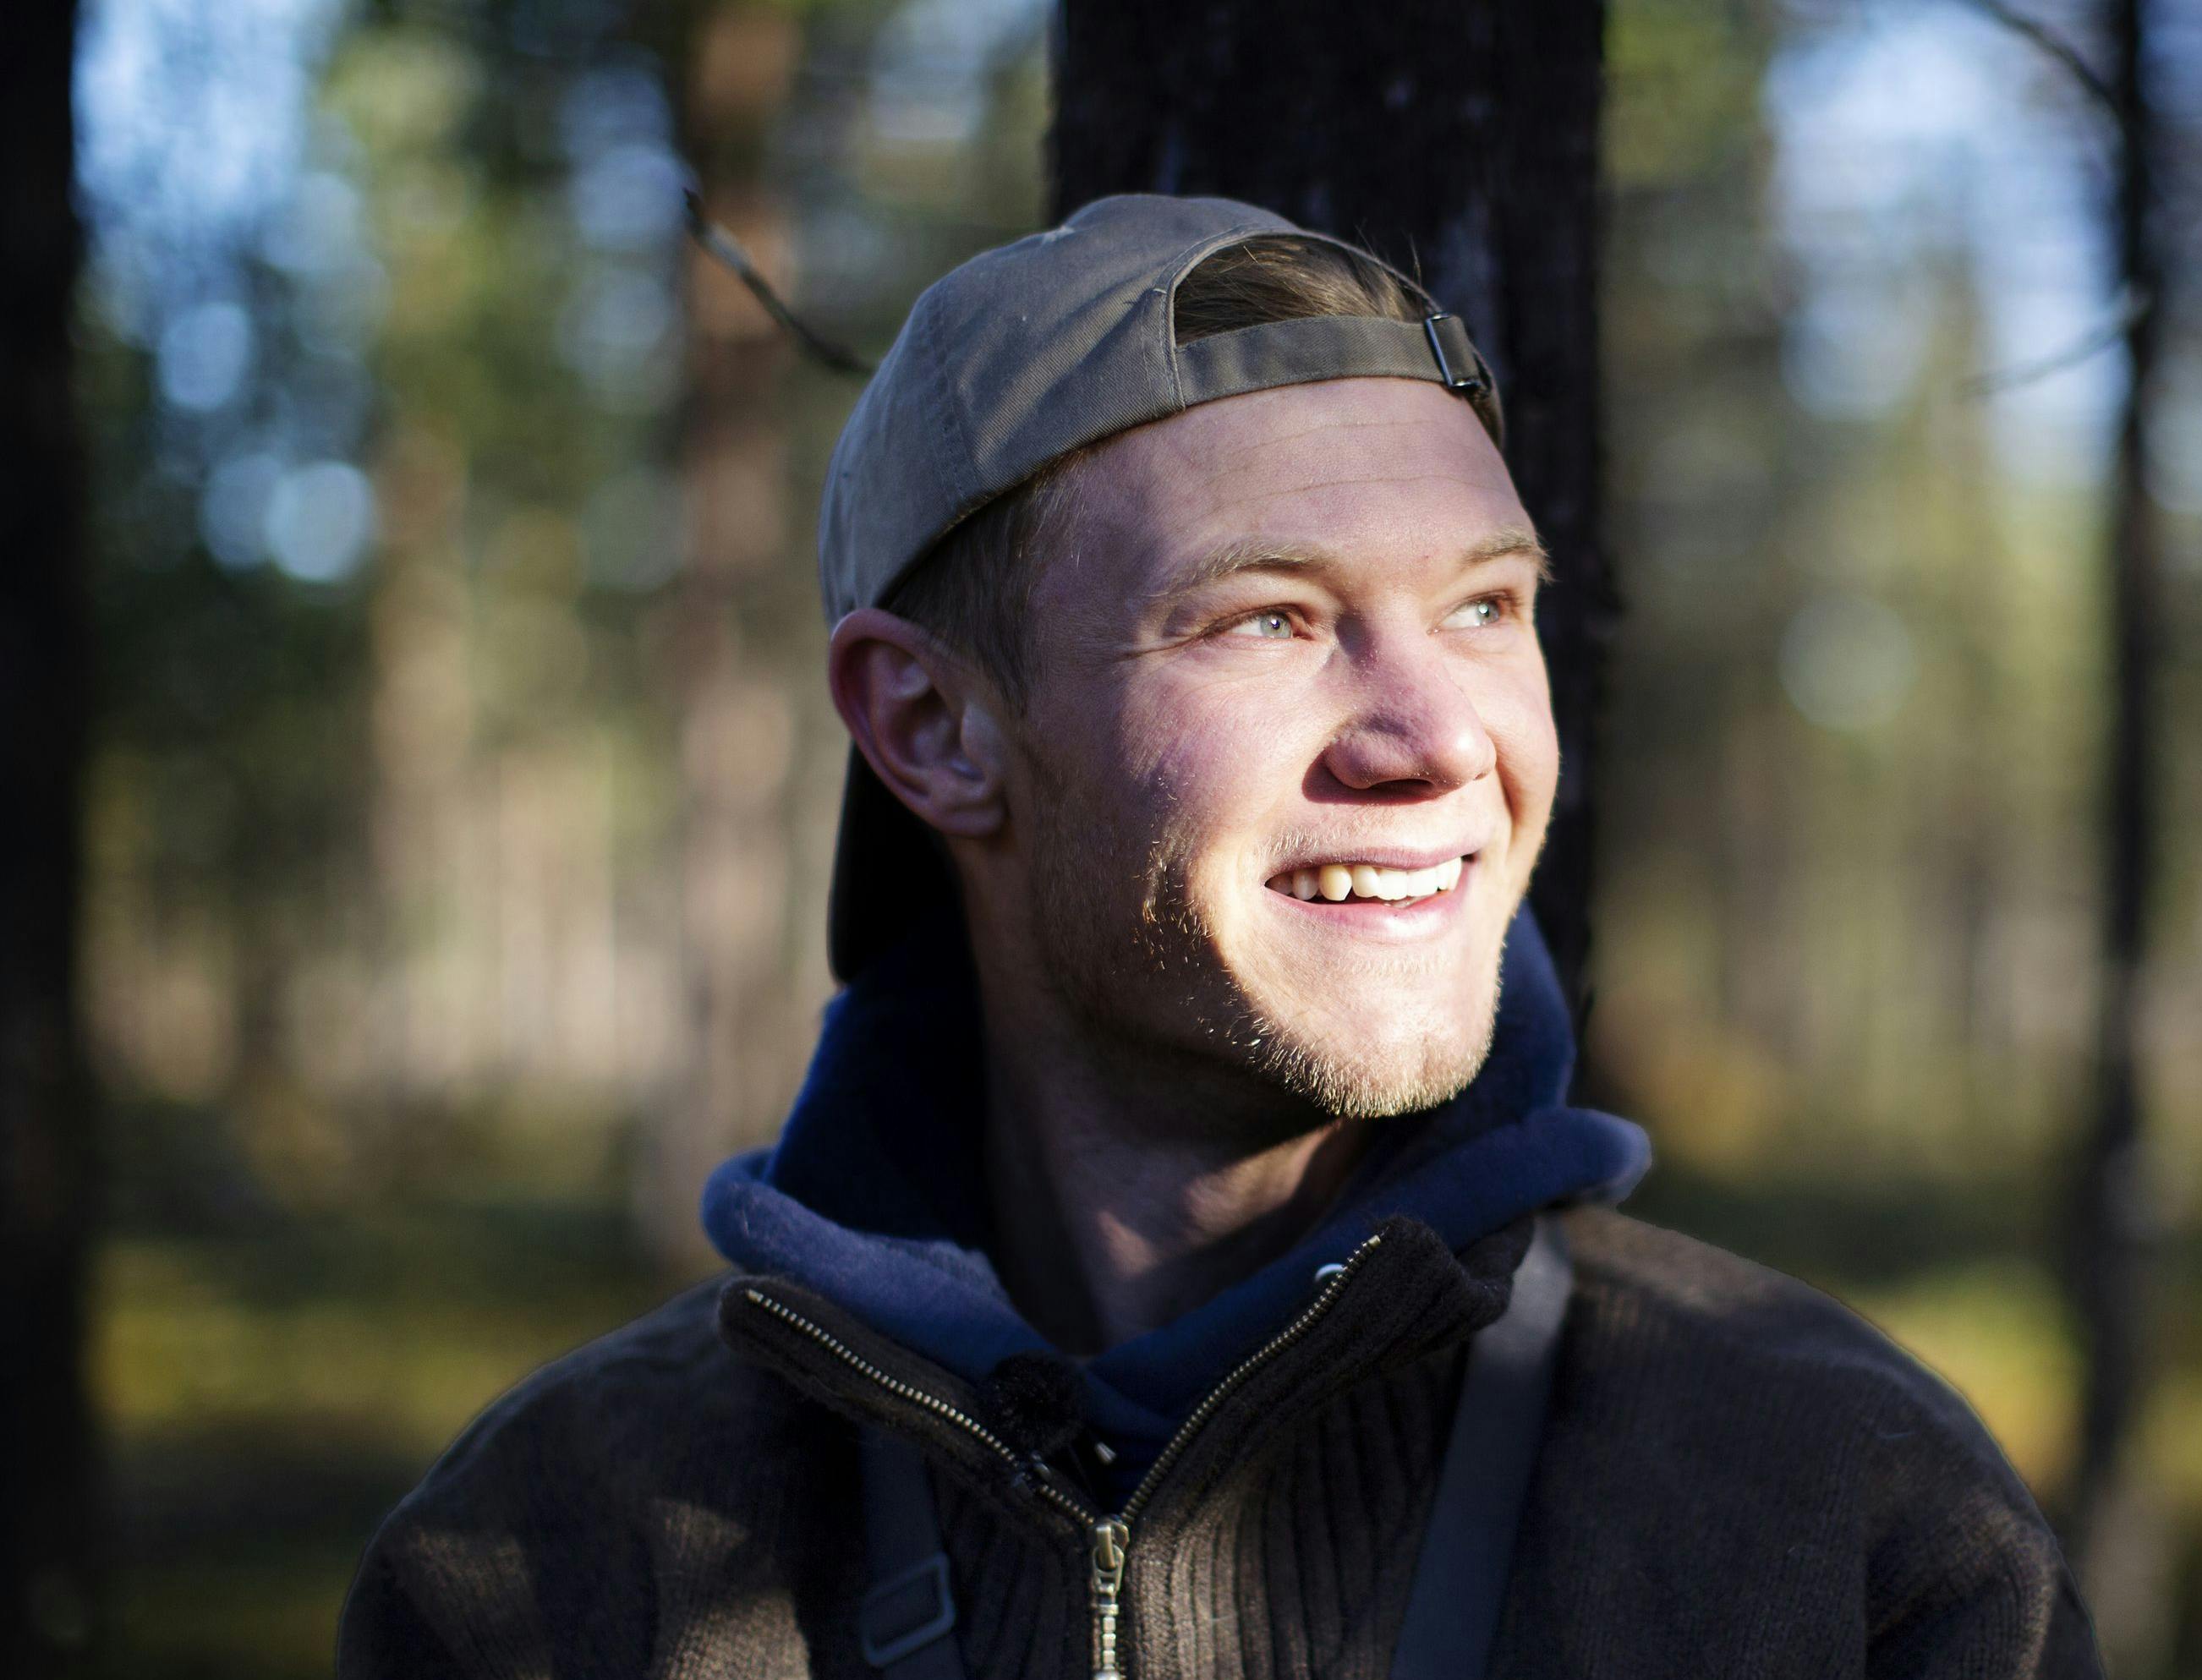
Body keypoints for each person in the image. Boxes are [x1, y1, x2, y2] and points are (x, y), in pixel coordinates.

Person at [337, 194, 2101, 1679]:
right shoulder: (552, 1562)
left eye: (1484, 605)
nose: (1437, 737)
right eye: (1267, 618)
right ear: (933, 729)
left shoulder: (1844, 1520)